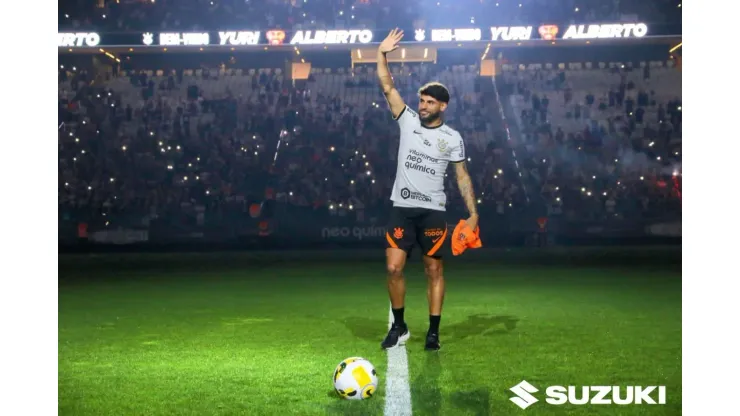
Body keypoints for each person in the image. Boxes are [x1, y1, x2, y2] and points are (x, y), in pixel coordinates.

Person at [376, 29, 479, 351]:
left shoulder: (452, 138)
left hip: (433, 210)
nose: (422, 105)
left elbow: (462, 176)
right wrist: (381, 54)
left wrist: (473, 213)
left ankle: (433, 332)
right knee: (393, 267)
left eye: (429, 102)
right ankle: (400, 326)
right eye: (421, 100)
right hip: (401, 208)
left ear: (442, 106)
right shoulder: (406, 120)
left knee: (434, 269)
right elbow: (387, 86)